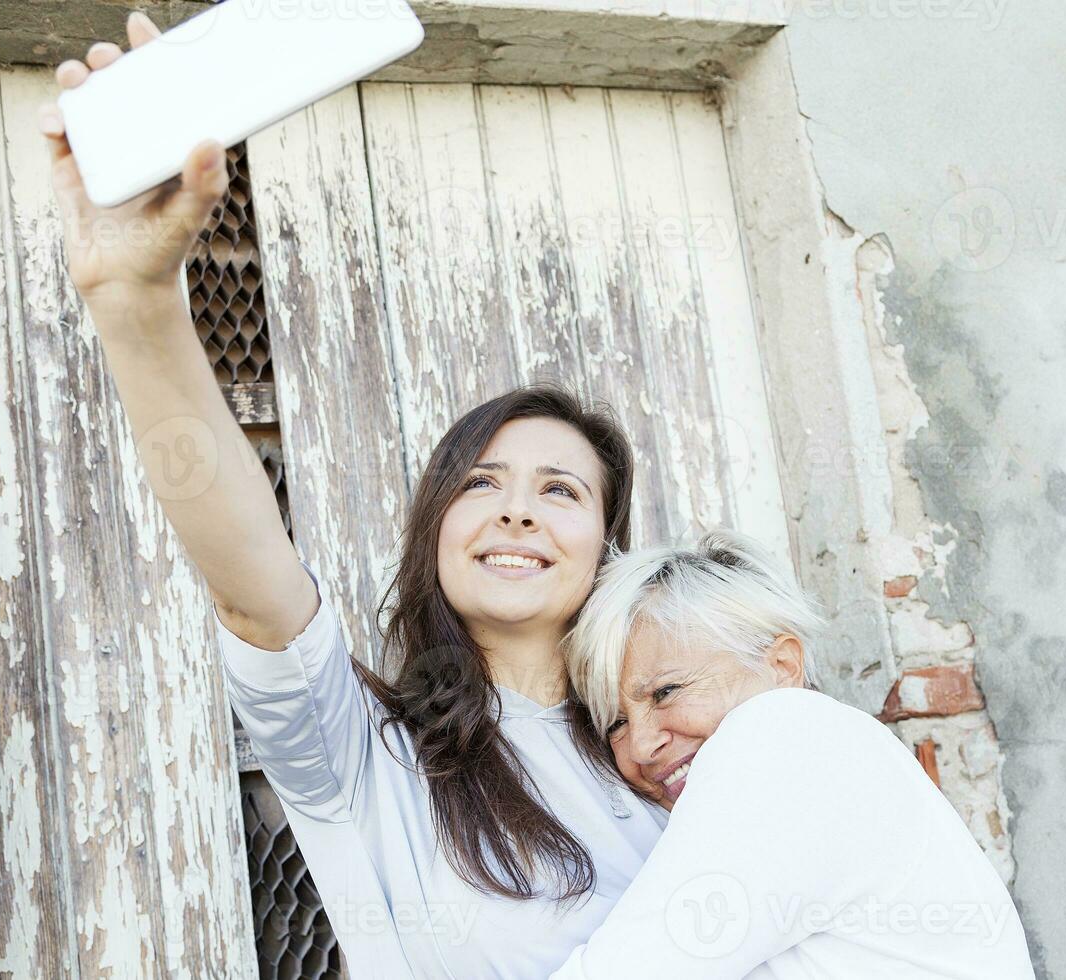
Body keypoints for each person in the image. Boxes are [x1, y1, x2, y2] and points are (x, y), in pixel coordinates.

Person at [37, 12, 667, 978]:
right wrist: (135, 302)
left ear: (609, 550)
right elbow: (253, 584)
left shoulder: (676, 754)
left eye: (561, 491)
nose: (517, 511)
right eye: (481, 483)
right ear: (434, 533)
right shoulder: (363, 756)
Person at [552, 529, 1037, 979]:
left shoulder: (784, 736)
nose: (640, 744)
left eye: (666, 691)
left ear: (782, 665)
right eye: (616, 722)